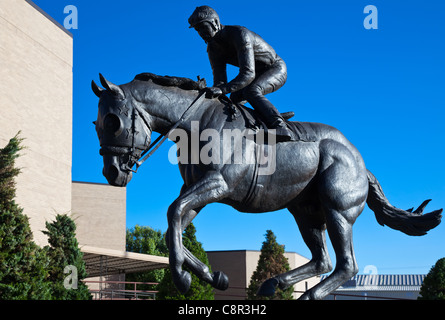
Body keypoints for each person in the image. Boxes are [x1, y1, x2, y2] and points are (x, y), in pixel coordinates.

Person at [188, 6, 295, 141]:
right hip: (254, 73)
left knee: (251, 91)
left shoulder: (239, 34)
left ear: (215, 22)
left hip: (274, 68)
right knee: (232, 100)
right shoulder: (213, 49)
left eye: (203, 27)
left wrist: (221, 89)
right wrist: (213, 93)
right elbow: (220, 83)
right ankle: (263, 118)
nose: (201, 33)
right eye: (198, 30)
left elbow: (248, 74)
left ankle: (280, 127)